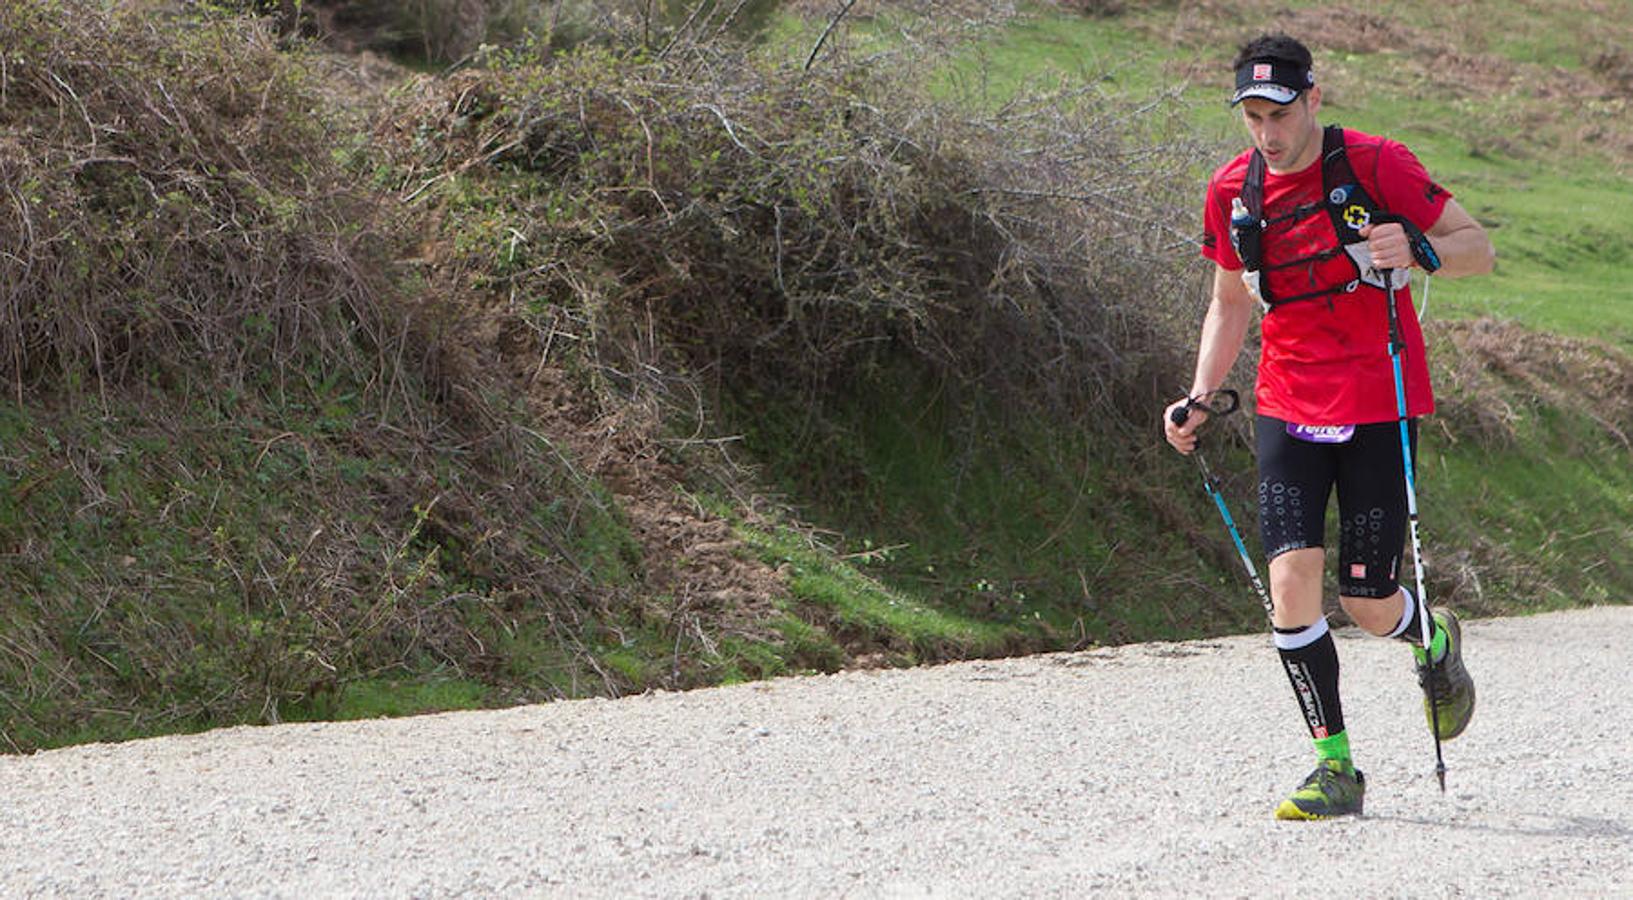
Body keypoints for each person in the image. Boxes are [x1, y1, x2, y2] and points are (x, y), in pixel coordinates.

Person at [1163, 33, 1495, 820]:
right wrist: (1201, 394)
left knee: (1368, 600)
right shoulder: (1233, 190)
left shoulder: (1377, 164)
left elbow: (1475, 248)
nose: (1266, 133)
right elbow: (1229, 300)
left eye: (1278, 113)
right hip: (1286, 401)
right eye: (1251, 115)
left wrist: (1415, 249)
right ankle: (1334, 768)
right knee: (1289, 584)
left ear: (1312, 99)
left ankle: (1432, 641)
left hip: (1377, 398)